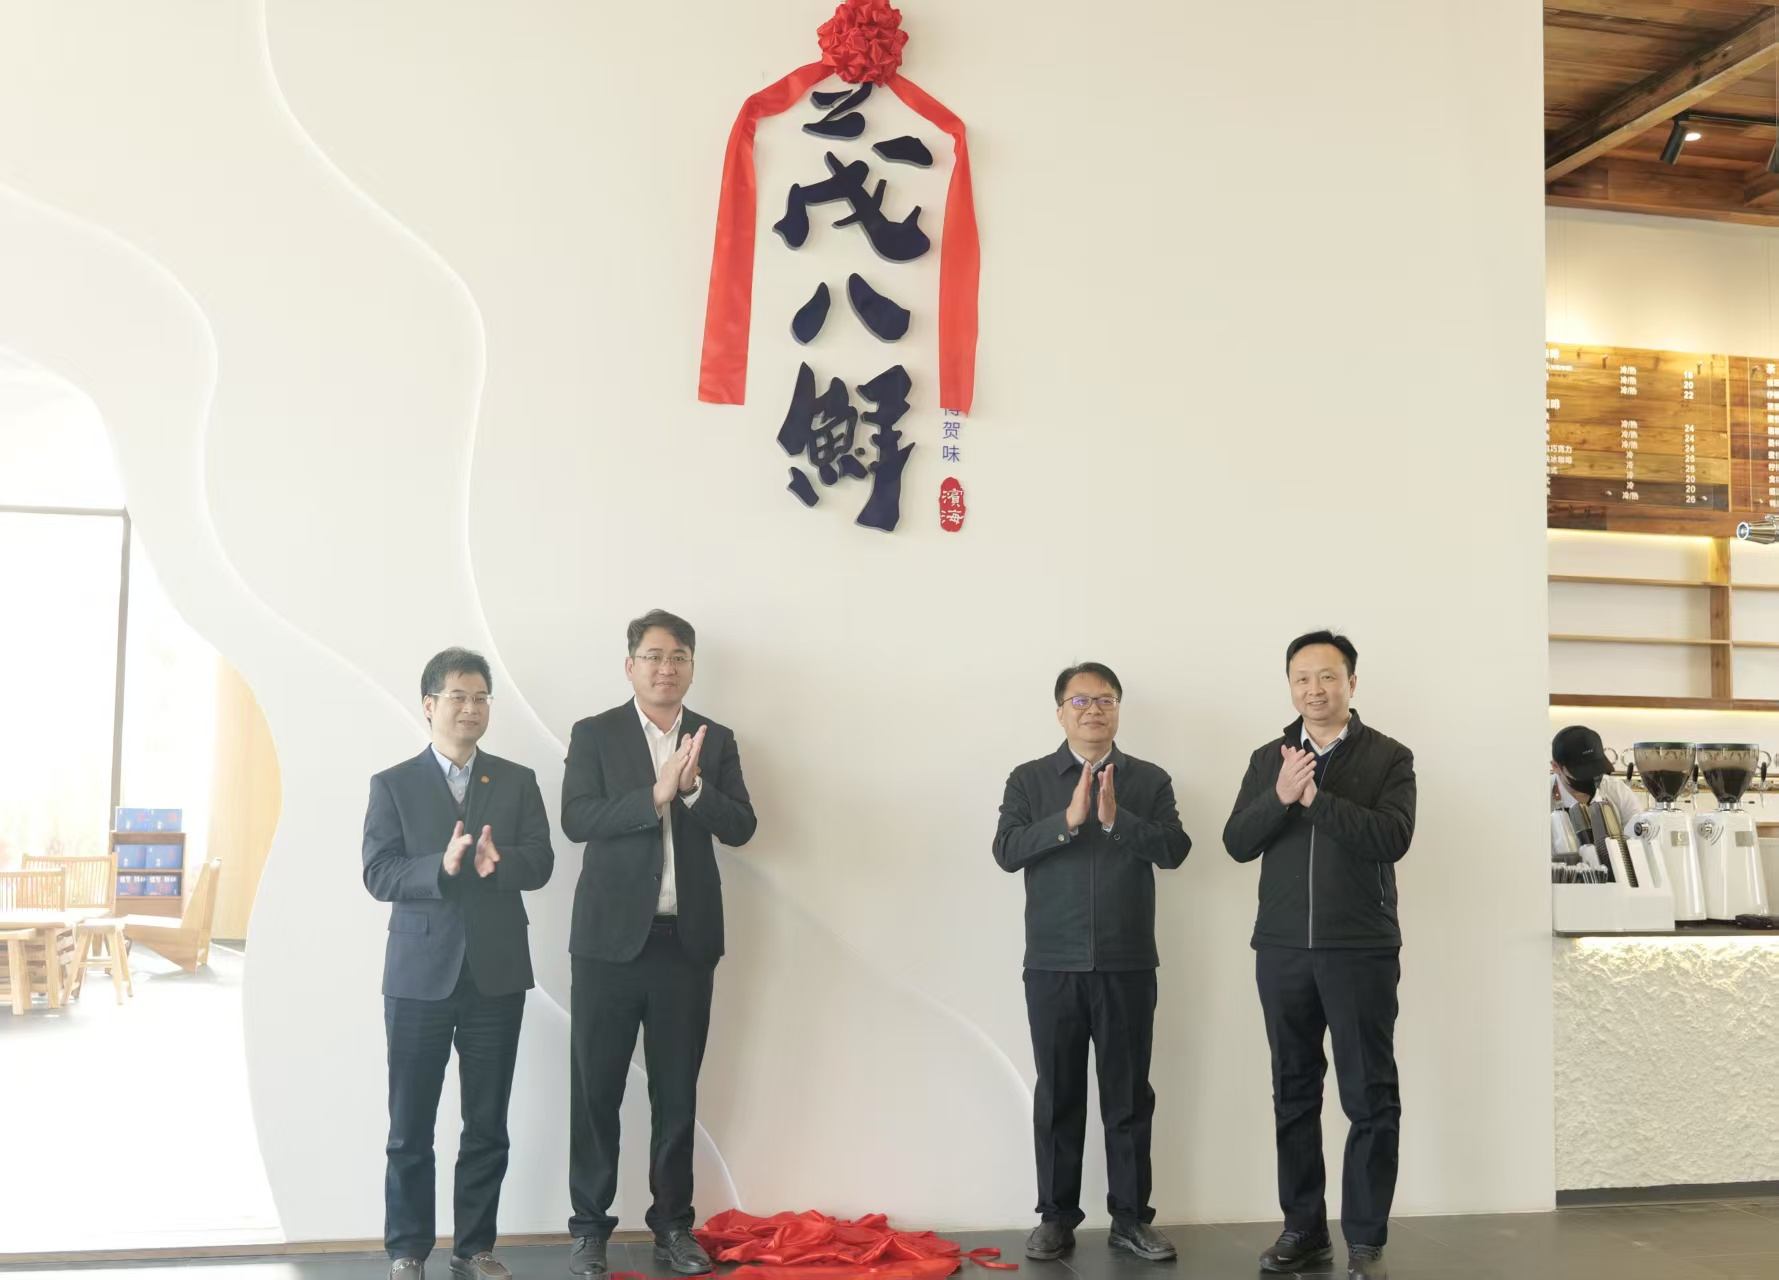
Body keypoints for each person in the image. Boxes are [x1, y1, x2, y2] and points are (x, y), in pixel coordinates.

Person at [561, 609, 757, 1279]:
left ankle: (673, 1226)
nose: (665, 668)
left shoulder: (716, 739)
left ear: (692, 667)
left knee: (676, 1094)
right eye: (652, 656)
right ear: (630, 666)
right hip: (606, 946)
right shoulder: (594, 733)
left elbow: (742, 827)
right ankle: (589, 1229)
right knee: (595, 1092)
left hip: (684, 943)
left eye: (677, 657)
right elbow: (577, 818)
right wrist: (655, 793)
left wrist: (693, 788)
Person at [1221, 631, 1414, 1280]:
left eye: (1327, 676)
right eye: (1301, 678)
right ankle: (1303, 1230)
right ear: (1289, 685)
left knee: (1369, 1097)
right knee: (1293, 1093)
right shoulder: (1268, 759)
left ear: (1351, 683)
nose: (1314, 689)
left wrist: (1314, 800)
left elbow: (1391, 837)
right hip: (1281, 951)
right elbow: (1236, 842)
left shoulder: (1388, 756)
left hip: (1359, 950)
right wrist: (1279, 795)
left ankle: (1365, 1241)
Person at [363, 647, 556, 1280]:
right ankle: (407, 1251)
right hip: (418, 976)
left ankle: (475, 1248)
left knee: (487, 1123)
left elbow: (542, 862)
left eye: (480, 698)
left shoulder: (517, 780)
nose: (470, 708)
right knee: (409, 1126)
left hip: (496, 974)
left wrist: (503, 865)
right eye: (457, 697)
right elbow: (378, 872)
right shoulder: (392, 784)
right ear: (429, 705)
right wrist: (438, 868)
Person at [993, 662, 1190, 1264]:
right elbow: (1006, 850)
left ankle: (1130, 1218)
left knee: (1128, 1096)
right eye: (1080, 701)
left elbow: (1175, 850)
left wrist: (1115, 820)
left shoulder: (1149, 780)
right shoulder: (1029, 779)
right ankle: (1056, 1217)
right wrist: (1068, 821)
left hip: (1127, 964)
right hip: (1053, 964)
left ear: (1118, 710)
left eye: (1105, 700)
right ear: (1060, 712)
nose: (1093, 710)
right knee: (1058, 1094)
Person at [1551, 724, 1638, 840]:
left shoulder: (1618, 791)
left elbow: (1639, 839)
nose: (1591, 777)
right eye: (1582, 773)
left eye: (1597, 770)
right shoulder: (1541, 798)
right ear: (1556, 767)